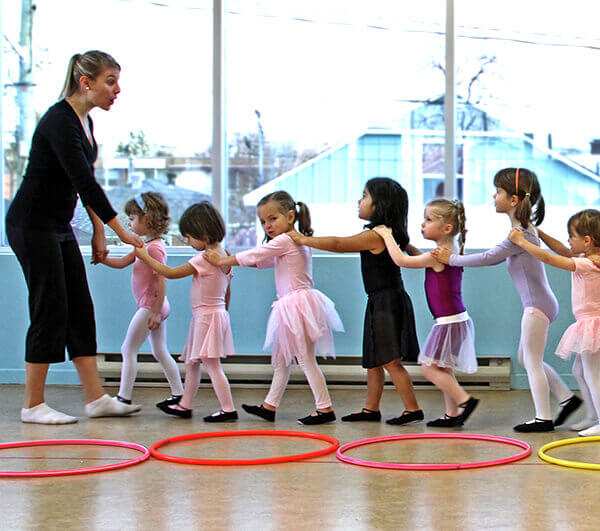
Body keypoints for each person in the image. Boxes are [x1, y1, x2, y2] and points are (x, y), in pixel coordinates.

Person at [5, 50, 144, 424]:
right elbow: (83, 180)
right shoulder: (58, 121)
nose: (117, 90)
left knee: (80, 307)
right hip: (32, 225)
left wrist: (99, 230)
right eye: (110, 81)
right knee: (49, 309)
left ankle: (96, 398)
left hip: (58, 225)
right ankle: (33, 405)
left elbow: (83, 184)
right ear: (86, 83)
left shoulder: (84, 121)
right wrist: (123, 231)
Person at [432, 168, 581, 432]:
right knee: (527, 358)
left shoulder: (519, 234)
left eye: (498, 191)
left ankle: (543, 418)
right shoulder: (521, 229)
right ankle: (567, 399)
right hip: (540, 303)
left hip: (537, 306)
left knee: (531, 361)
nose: (493, 195)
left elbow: (488, 257)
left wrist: (450, 259)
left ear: (513, 200)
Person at [288, 177, 423, 425]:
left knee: (390, 361)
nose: (359, 201)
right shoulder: (389, 233)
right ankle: (371, 409)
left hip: (386, 302)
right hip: (380, 300)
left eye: (365, 195)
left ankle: (412, 409)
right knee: (374, 360)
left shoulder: (377, 235)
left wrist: (305, 240)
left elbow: (340, 244)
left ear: (380, 204)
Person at [204, 191, 343, 425]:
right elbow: (262, 260)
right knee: (281, 359)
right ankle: (269, 406)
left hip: (296, 305)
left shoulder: (286, 240)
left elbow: (258, 254)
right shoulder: (293, 241)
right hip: (292, 305)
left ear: (290, 216)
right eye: (263, 222)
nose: (267, 225)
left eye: (272, 219)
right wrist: (234, 258)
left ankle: (324, 408)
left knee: (305, 359)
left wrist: (222, 261)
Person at [374, 199, 479, 427]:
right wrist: (406, 243)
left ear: (447, 228)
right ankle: (452, 415)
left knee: (428, 368)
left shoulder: (438, 255)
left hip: (448, 322)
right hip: (456, 319)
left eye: (428, 220)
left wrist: (386, 235)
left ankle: (465, 401)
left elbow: (402, 261)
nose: (423, 224)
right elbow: (416, 256)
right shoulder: (448, 251)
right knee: (443, 368)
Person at [135, 202, 237, 421]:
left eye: (190, 237)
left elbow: (169, 273)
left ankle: (228, 409)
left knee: (211, 365)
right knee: (192, 362)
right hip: (212, 315)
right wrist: (223, 314)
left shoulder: (205, 258)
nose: (189, 243)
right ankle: (185, 405)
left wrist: (145, 256)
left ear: (203, 232)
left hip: (207, 316)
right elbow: (228, 290)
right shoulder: (224, 255)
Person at [510, 210, 600, 435]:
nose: (568, 241)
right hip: (588, 323)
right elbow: (560, 249)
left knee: (592, 373)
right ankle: (591, 415)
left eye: (572, 236)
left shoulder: (589, 264)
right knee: (579, 371)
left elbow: (551, 258)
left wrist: (523, 241)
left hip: (593, 324)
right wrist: (536, 231)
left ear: (587, 241)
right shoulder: (585, 258)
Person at [101, 192, 184, 409]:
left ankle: (123, 397)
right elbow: (121, 263)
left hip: (151, 305)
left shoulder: (155, 248)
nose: (128, 224)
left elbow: (162, 279)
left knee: (128, 350)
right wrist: (103, 259)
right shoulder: (143, 245)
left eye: (131, 219)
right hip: (152, 305)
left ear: (146, 219)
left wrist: (155, 312)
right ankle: (179, 394)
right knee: (159, 351)